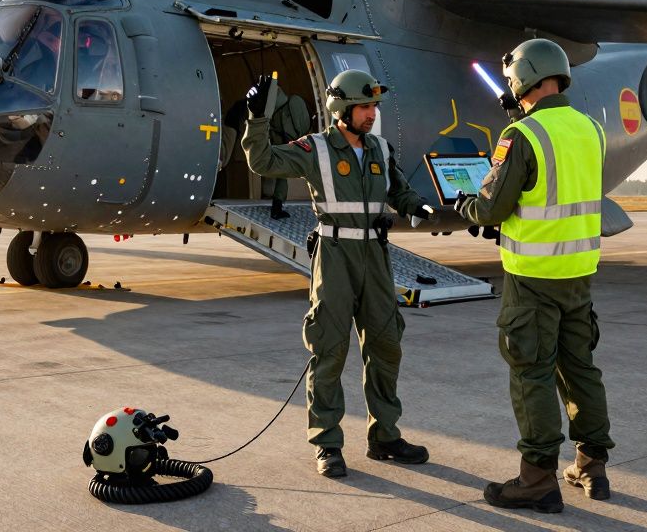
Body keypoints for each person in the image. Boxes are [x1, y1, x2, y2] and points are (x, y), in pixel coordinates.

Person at [243, 69, 435, 478]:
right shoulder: (314, 148)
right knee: (329, 349)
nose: (372, 114)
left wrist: (416, 205)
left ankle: (385, 437)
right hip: (334, 256)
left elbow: (398, 190)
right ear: (342, 109)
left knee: (386, 345)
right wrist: (257, 120)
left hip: (376, 257)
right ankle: (327, 443)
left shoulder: (380, 149)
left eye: (374, 107)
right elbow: (263, 161)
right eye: (364, 107)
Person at [455, 38, 614, 513]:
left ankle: (537, 479)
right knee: (580, 369)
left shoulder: (521, 135)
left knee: (532, 374)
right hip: (579, 273)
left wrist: (466, 206)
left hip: (533, 277)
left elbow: (491, 207)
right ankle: (592, 465)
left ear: (523, 77)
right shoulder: (591, 129)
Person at [262, 88, 312, 218]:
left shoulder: (267, 107)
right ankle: (277, 206)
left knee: (280, 174)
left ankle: (276, 205)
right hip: (290, 141)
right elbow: (301, 127)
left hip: (277, 141)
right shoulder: (294, 102)